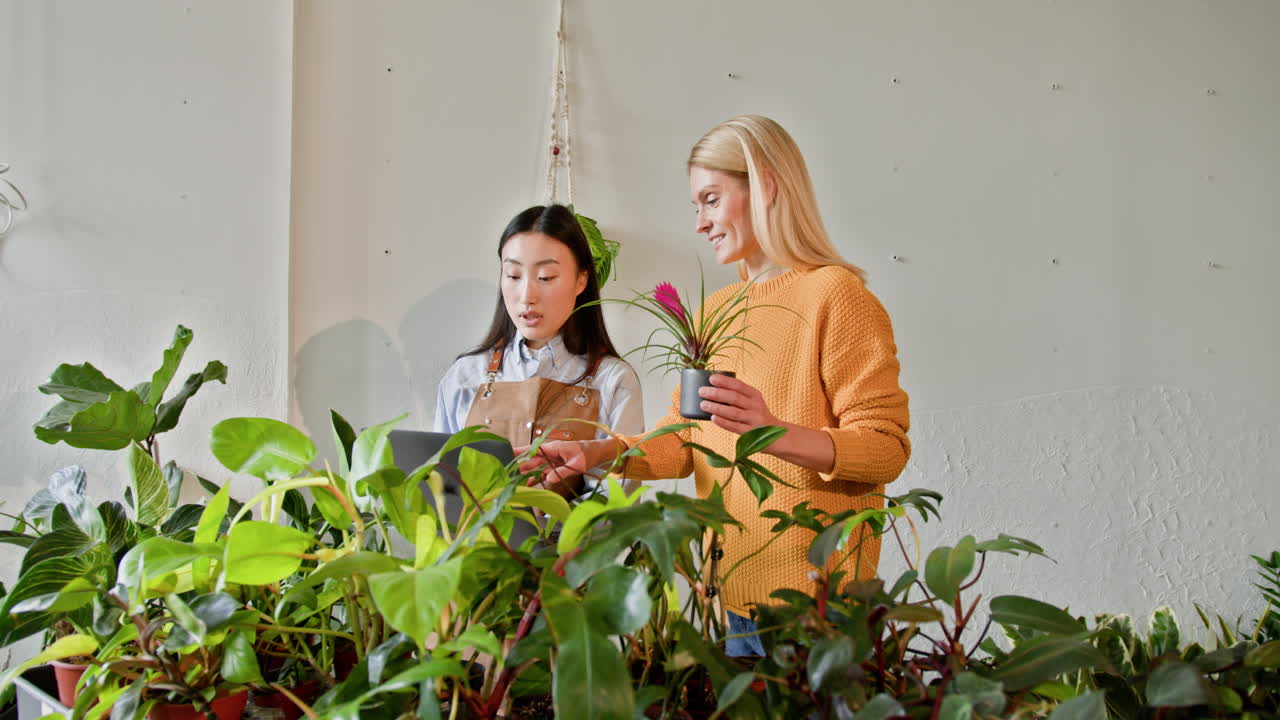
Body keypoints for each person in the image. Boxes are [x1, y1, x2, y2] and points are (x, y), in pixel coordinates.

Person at [519, 115, 910, 655]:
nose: (700, 222)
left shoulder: (835, 296)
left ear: (765, 184)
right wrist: (598, 452)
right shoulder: (714, 312)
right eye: (695, 206)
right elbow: (683, 438)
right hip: (730, 595)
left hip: (820, 605)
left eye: (710, 199)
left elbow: (885, 450)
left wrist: (772, 432)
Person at [434, 204, 644, 498]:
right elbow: (441, 487)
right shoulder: (465, 376)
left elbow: (614, 500)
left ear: (581, 280)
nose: (527, 296)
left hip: (573, 544)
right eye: (513, 275)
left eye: (545, 277)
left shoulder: (612, 380)